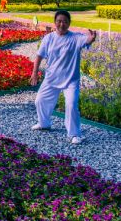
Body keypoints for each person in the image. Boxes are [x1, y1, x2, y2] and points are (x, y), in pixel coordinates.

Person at [30, 10, 97, 144]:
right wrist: (34, 73)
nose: (62, 24)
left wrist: (91, 38)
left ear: (69, 23)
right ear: (55, 23)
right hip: (51, 78)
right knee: (39, 100)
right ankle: (44, 123)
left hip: (70, 80)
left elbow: (86, 40)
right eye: (59, 21)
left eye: (65, 21)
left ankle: (74, 134)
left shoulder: (75, 38)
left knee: (71, 104)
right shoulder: (49, 38)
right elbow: (39, 56)